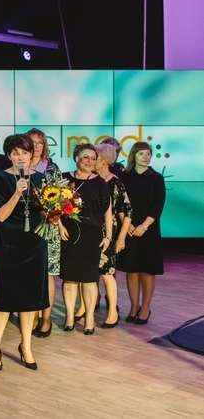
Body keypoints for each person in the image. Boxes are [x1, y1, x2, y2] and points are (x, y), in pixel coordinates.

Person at [0, 134, 49, 373]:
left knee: (30, 298)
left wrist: (54, 213)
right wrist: (16, 193)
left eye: (25, 152)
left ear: (31, 154)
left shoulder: (41, 178)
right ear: (9, 155)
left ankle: (26, 346)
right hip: (9, 244)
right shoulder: (0, 178)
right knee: (5, 299)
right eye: (15, 153)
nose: (21, 157)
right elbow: (1, 216)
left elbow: (44, 211)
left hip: (35, 243)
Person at [59, 144, 113, 335]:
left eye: (93, 158)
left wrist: (108, 236)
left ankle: (89, 317)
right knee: (70, 279)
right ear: (76, 158)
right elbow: (53, 206)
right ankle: (69, 317)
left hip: (92, 235)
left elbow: (107, 212)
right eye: (85, 157)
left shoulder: (100, 183)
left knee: (90, 279)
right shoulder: (64, 179)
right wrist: (59, 226)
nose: (89, 161)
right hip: (69, 234)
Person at [119, 141, 166, 325]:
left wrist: (143, 226)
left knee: (147, 271)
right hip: (129, 228)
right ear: (134, 156)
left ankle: (145, 308)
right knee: (132, 270)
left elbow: (158, 205)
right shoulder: (125, 176)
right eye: (141, 153)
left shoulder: (156, 178)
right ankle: (133, 307)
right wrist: (128, 225)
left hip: (149, 230)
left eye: (148, 154)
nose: (146, 157)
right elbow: (120, 203)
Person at [26, 128, 61, 338]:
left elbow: (59, 199)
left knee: (47, 275)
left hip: (48, 226)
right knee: (29, 274)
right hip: (25, 228)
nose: (37, 146)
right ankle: (31, 315)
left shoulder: (51, 168)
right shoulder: (19, 166)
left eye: (40, 143)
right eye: (33, 142)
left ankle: (46, 318)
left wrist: (52, 216)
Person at [95, 143, 132, 328]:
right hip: (90, 233)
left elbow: (127, 213)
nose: (91, 160)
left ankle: (112, 313)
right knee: (90, 274)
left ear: (104, 161)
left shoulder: (115, 182)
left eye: (95, 157)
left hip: (108, 234)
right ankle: (87, 308)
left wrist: (121, 238)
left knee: (107, 274)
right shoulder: (91, 179)